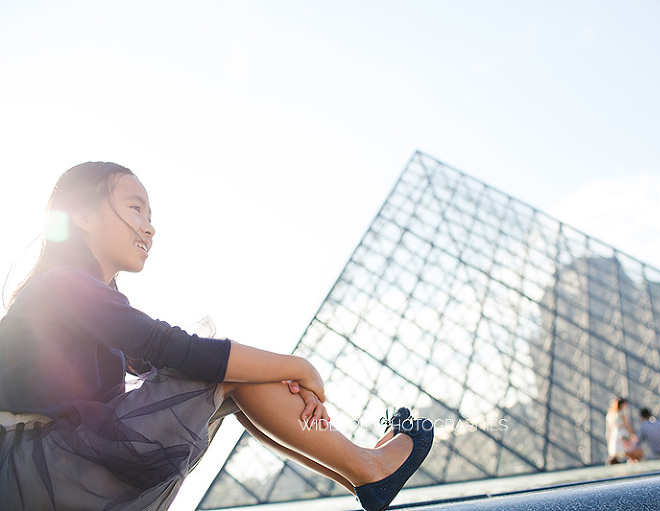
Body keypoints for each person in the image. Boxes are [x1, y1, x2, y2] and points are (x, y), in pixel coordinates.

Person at [0, 162, 433, 511]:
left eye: (150, 217)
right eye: (135, 209)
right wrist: (302, 368)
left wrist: (278, 375)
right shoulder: (62, 285)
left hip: (51, 469)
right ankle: (368, 469)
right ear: (83, 215)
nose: (149, 227)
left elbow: (169, 359)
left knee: (231, 374)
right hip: (35, 471)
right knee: (218, 369)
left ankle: (361, 476)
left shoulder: (83, 295)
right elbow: (175, 350)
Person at [605, 397, 643, 464]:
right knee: (630, 452)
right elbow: (627, 424)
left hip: (615, 435)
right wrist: (633, 434)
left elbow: (609, 428)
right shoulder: (622, 413)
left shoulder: (610, 414)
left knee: (616, 453)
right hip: (623, 434)